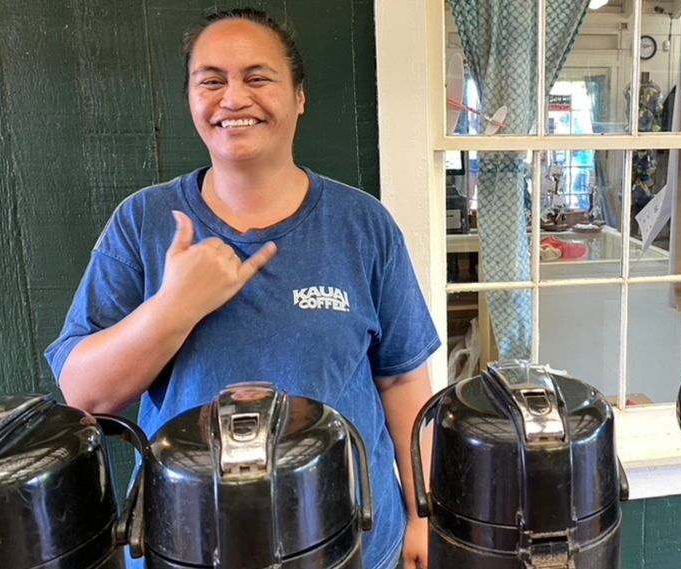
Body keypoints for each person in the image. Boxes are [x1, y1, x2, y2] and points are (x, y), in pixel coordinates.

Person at [44, 8, 439, 569]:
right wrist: (174, 309)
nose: (233, 98)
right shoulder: (143, 223)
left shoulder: (363, 225)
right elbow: (83, 396)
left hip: (352, 544)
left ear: (299, 96)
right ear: (191, 99)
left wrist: (422, 515)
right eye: (211, 80)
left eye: (258, 78)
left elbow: (403, 379)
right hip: (186, 545)